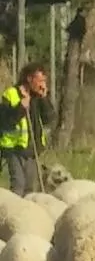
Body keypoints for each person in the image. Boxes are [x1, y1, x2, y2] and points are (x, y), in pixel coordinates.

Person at [0, 64, 52, 196]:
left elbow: (49, 119)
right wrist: (21, 108)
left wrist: (44, 98)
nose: (42, 85)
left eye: (44, 81)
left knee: (30, 188)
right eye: (40, 81)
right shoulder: (10, 94)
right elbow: (5, 121)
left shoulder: (38, 97)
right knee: (18, 184)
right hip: (14, 149)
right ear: (29, 79)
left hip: (32, 149)